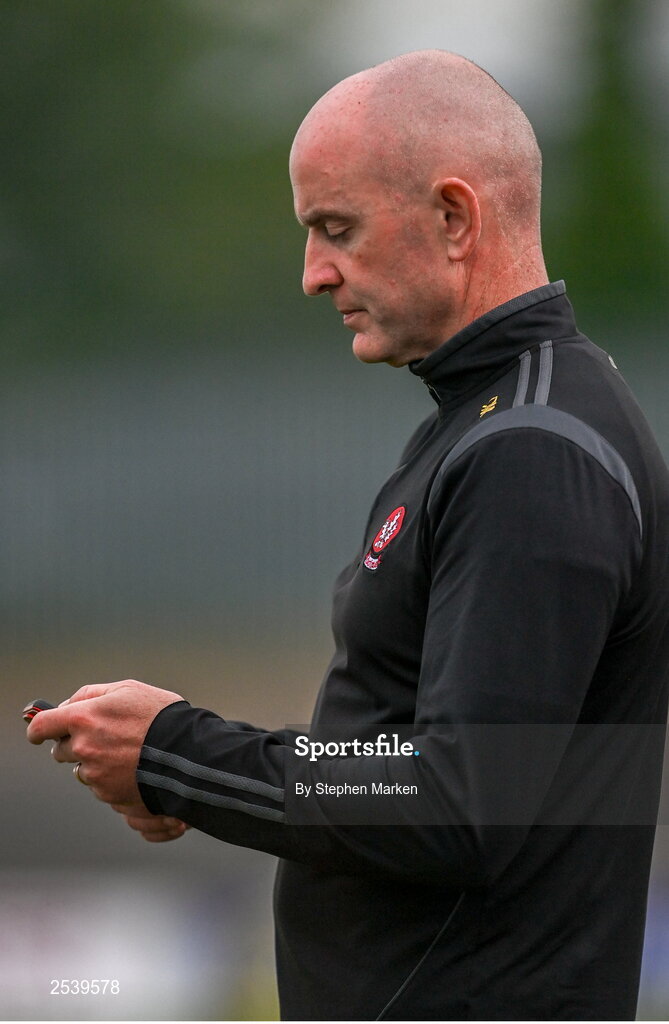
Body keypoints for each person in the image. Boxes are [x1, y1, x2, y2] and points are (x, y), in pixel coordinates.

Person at [27, 50, 669, 1020]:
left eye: (336, 228)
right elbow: (413, 765)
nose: (312, 274)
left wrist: (179, 753)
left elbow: (453, 798)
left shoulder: (534, 450)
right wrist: (186, 769)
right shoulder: (492, 422)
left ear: (454, 218)